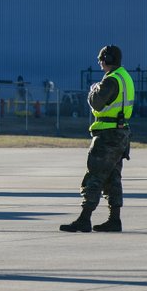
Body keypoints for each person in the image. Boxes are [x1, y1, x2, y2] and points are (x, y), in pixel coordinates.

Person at [61, 45, 133, 233]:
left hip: (107, 135)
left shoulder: (110, 81)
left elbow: (96, 103)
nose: (100, 63)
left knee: (94, 176)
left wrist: (93, 89)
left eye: (102, 59)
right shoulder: (125, 77)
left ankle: (84, 219)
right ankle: (114, 220)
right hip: (122, 134)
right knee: (113, 178)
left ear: (109, 59)